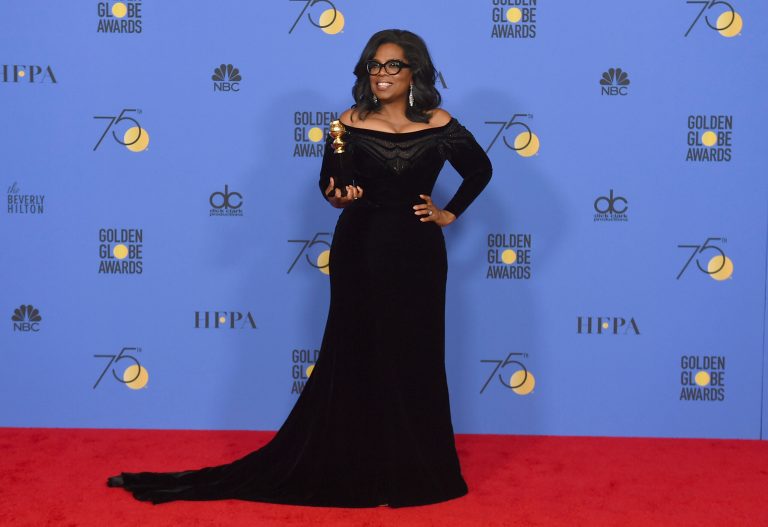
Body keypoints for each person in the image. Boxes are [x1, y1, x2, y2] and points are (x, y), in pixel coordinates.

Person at [106, 28, 492, 508]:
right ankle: (359, 469)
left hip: (418, 255)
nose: (381, 74)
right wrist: (339, 195)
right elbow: (331, 187)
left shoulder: (440, 122)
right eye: (374, 65)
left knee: (415, 354)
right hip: (361, 249)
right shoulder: (346, 123)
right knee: (359, 352)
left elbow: (480, 169)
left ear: (415, 70)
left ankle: (418, 471)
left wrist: (448, 212)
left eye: (393, 65)